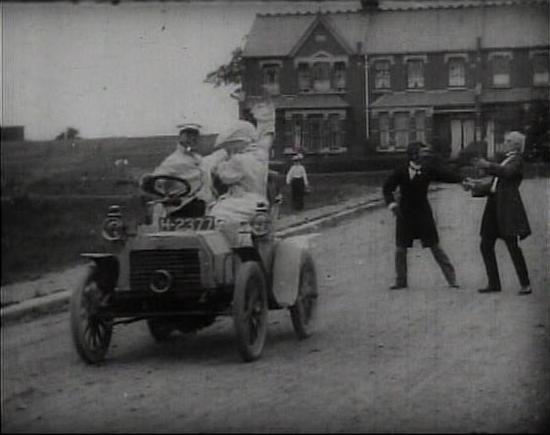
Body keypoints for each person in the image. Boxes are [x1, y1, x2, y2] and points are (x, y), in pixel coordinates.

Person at [383, 141, 465, 290]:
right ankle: (401, 281)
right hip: (404, 215)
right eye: (422, 153)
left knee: (435, 246)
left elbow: (446, 176)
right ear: (413, 154)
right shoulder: (400, 171)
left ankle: (452, 279)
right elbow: (387, 188)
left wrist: (462, 179)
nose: (425, 156)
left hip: (423, 214)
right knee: (400, 248)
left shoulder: (428, 170)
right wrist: (393, 205)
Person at [465, 131, 532, 294]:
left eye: (509, 141)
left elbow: (506, 173)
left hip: (507, 208)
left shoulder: (517, 161)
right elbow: (494, 185)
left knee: (512, 245)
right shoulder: (506, 160)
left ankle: (525, 284)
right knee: (486, 244)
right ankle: (494, 283)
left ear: (517, 145)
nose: (505, 142)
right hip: (494, 206)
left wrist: (487, 165)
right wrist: (474, 185)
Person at [141, 123, 226, 216]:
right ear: (180, 137)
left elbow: (212, 162)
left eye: (195, 136)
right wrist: (164, 193)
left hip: (204, 206)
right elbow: (156, 181)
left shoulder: (198, 158)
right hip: (182, 208)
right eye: (188, 136)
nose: (192, 139)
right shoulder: (173, 160)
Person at [207, 120, 269, 224]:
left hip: (246, 200)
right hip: (260, 199)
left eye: (230, 148)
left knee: (216, 212)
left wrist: (219, 164)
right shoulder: (260, 156)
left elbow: (225, 177)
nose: (229, 152)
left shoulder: (238, 160)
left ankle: (228, 237)